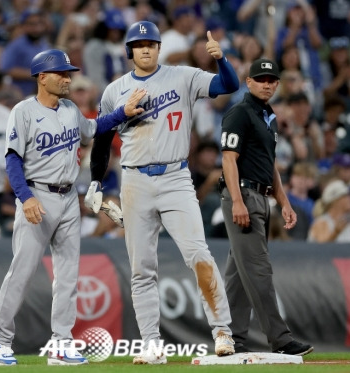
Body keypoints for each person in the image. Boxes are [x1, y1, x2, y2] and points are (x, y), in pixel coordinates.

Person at [86, 21, 239, 364]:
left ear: (158, 47)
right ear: (129, 51)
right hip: (135, 181)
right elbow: (101, 138)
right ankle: (152, 344)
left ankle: (221, 331)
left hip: (175, 177)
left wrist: (222, 59)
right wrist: (96, 180)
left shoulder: (183, 76)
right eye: (138, 44)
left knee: (198, 254)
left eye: (151, 43)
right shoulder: (114, 90)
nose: (145, 49)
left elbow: (229, 85)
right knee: (141, 268)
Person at [0, 49, 146, 367]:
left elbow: (94, 129)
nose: (67, 78)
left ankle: (61, 342)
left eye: (68, 73)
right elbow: (12, 159)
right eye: (61, 73)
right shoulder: (24, 111)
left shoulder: (71, 109)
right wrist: (25, 197)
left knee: (69, 275)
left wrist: (123, 112)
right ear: (42, 77)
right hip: (38, 196)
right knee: (22, 272)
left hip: (70, 198)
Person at [219, 58, 313, 355]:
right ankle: (280, 338)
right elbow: (228, 159)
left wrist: (283, 201)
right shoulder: (240, 113)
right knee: (258, 269)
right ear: (249, 82)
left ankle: (232, 337)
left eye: (272, 79)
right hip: (243, 194)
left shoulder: (267, 116)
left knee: (240, 273)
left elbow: (269, 165)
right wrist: (236, 200)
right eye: (261, 79)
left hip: (260, 196)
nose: (267, 84)